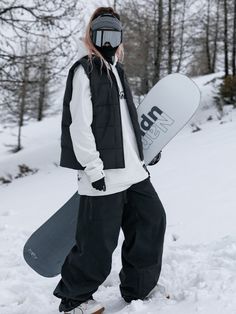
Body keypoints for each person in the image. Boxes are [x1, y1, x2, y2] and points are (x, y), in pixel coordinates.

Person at [53, 6, 166, 314]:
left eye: (114, 35)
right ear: (92, 35)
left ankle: (138, 286)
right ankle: (74, 300)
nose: (109, 41)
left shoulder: (117, 69)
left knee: (151, 222)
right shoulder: (84, 70)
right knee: (97, 244)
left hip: (133, 172)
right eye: (102, 34)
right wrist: (92, 168)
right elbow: (79, 125)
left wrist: (144, 153)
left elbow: (125, 125)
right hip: (103, 175)